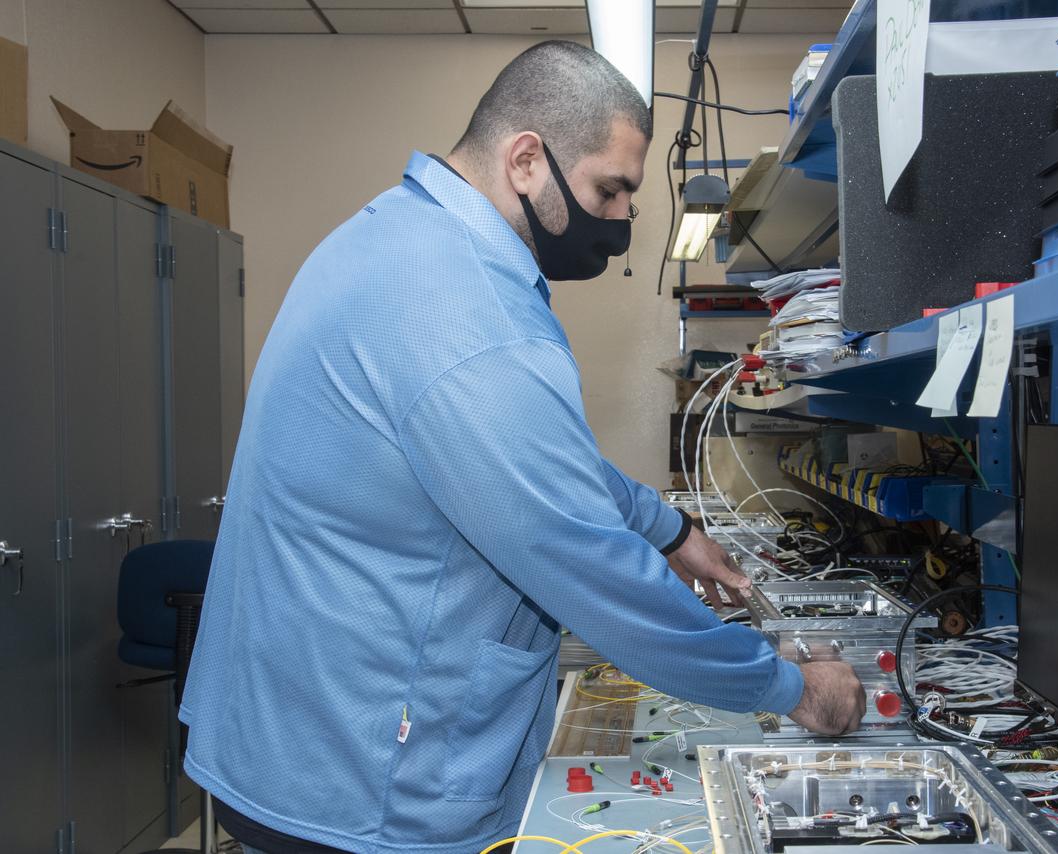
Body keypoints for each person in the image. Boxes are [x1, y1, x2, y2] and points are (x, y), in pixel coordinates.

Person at [179, 41, 865, 854]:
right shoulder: (466, 312)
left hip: (290, 729)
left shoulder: (398, 239)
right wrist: (790, 688)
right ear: (527, 161)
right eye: (609, 189)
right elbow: (583, 561)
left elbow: (532, 458)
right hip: (357, 777)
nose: (619, 219)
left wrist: (669, 530)